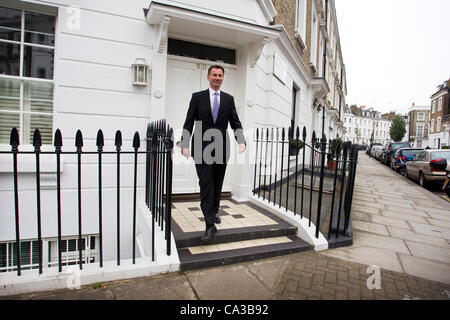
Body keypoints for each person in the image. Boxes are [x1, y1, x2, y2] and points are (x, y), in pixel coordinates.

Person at [181, 65, 246, 242]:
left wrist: (241, 140)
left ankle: (214, 211)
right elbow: (188, 122)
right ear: (208, 77)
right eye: (214, 75)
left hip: (221, 147)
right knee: (206, 184)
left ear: (223, 78)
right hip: (201, 148)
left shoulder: (228, 99)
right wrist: (185, 144)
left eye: (220, 75)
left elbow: (235, 122)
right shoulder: (197, 97)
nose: (217, 78)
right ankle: (210, 225)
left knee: (217, 184)